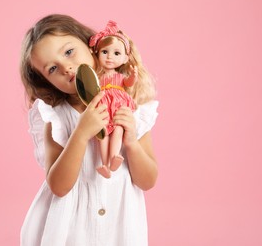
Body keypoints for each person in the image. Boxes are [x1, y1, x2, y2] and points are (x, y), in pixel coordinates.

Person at [19, 14, 159, 246]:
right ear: (47, 81)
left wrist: (132, 143)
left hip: (118, 230)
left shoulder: (129, 109)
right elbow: (59, 186)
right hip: (70, 231)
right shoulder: (57, 117)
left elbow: (148, 181)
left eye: (69, 52)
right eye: (53, 68)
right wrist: (81, 133)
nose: (67, 67)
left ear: (90, 45)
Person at [89, 20, 140, 178]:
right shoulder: (97, 76)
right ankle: (104, 165)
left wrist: (133, 77)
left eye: (116, 53)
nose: (110, 57)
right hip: (103, 104)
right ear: (97, 54)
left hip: (117, 105)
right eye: (105, 52)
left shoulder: (120, 77)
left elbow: (128, 83)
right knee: (102, 133)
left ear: (125, 58)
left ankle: (114, 158)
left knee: (118, 130)